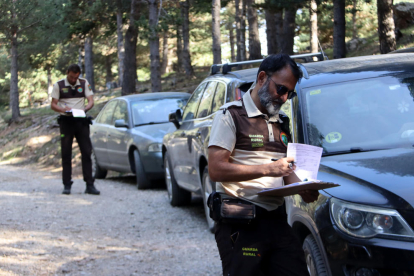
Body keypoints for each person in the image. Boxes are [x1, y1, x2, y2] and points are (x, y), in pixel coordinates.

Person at [208, 54, 319, 276]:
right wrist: (269, 169)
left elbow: (286, 170)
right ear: (261, 78)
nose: (284, 98)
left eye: (290, 92)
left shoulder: (282, 122)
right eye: (280, 89)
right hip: (240, 223)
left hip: (276, 221)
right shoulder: (230, 115)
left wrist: (303, 188)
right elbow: (216, 169)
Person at [51, 64, 100, 195]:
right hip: (66, 121)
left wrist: (85, 109)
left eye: (76, 77)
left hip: (81, 121)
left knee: (86, 152)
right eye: (72, 77)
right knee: (66, 153)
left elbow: (91, 101)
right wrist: (63, 109)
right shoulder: (59, 85)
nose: (73, 80)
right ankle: (67, 184)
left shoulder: (84, 83)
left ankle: (90, 184)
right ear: (67, 73)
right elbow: (53, 104)